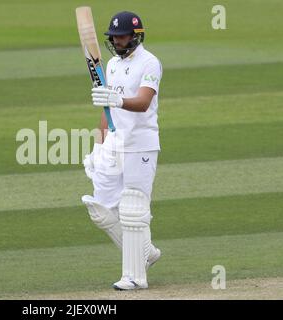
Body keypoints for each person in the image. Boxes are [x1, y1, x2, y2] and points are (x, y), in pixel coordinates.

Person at [82, 11, 163, 290]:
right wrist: (98, 146)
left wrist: (117, 100)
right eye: (113, 37)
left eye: (122, 36)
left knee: (133, 208)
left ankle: (135, 276)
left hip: (141, 144)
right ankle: (145, 252)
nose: (116, 41)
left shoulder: (150, 63)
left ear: (135, 36)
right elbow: (107, 110)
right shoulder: (113, 66)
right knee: (101, 208)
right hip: (115, 144)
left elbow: (142, 102)